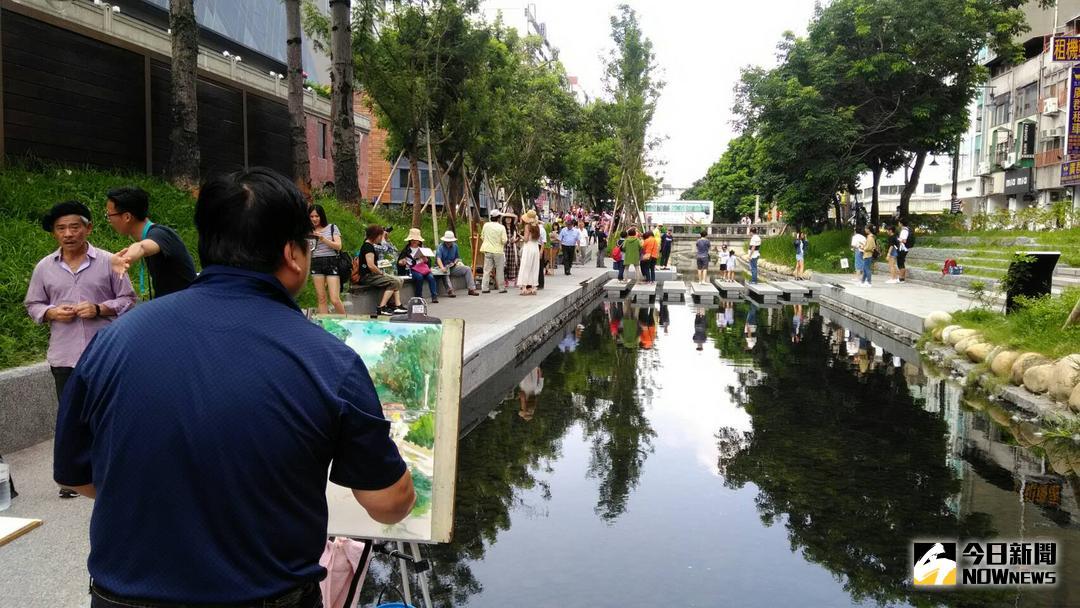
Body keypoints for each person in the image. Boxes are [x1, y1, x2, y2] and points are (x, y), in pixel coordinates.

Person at [54, 167, 415, 607]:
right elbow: (389, 503)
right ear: (293, 254)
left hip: (121, 599)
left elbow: (80, 479)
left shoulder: (113, 342)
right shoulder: (328, 359)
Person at [26, 200, 137, 499]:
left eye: (74, 226)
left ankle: (111, 470)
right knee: (70, 417)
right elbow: (33, 304)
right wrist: (50, 313)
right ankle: (73, 478)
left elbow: (128, 299)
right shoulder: (44, 268)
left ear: (88, 228)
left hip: (105, 353)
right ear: (54, 234)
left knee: (108, 412)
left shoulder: (110, 261)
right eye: (61, 228)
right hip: (64, 356)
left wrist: (99, 307)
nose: (68, 233)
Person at [105, 186, 196, 298]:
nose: (109, 220)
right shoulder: (152, 233)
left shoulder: (160, 234)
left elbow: (142, 247)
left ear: (127, 217)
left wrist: (125, 259)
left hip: (185, 306)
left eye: (109, 215)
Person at [357, 225, 408, 315]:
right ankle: (381, 307)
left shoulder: (370, 245)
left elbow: (391, 249)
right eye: (381, 236)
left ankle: (396, 305)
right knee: (394, 282)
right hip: (368, 276)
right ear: (376, 236)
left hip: (372, 274)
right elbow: (371, 265)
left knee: (399, 280)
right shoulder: (368, 247)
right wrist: (381, 273)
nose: (381, 238)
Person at [307, 204, 346, 314]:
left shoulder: (332, 228)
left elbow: (338, 246)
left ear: (322, 216)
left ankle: (345, 322)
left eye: (317, 216)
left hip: (331, 262)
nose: (314, 219)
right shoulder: (307, 231)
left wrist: (322, 239)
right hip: (316, 263)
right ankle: (324, 326)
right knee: (321, 298)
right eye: (312, 216)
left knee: (334, 299)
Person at [397, 228, 439, 303]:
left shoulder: (423, 249)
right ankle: (419, 296)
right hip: (412, 269)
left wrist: (426, 260)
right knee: (419, 277)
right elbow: (400, 262)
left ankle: (434, 296)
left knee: (431, 277)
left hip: (423, 269)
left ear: (419, 241)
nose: (414, 241)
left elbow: (428, 263)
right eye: (412, 239)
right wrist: (402, 262)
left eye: (416, 240)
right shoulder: (406, 250)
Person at [436, 230, 479, 296]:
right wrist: (442, 267)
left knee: (467, 269)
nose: (449, 243)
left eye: (450, 241)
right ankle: (450, 290)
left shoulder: (455, 246)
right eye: (447, 241)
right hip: (443, 266)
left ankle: (471, 289)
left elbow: (457, 257)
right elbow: (438, 258)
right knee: (445, 273)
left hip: (452, 266)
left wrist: (455, 262)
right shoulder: (440, 247)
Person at [480, 209, 508, 293]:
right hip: (498, 251)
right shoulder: (501, 227)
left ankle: (484, 288)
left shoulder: (486, 225)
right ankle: (501, 288)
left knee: (487, 270)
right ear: (498, 218)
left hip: (487, 250)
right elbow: (504, 240)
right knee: (499, 270)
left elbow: (482, 237)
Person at [518, 222, 542, 295]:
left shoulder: (527, 226)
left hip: (528, 247)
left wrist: (520, 236)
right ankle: (534, 287)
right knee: (534, 268)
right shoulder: (537, 226)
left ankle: (524, 287)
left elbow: (526, 239)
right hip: (535, 247)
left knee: (525, 267)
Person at [501, 212, 521, 286]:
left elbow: (519, 236)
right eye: (507, 218)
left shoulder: (514, 228)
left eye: (510, 218)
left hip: (513, 248)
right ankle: (505, 280)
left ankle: (516, 279)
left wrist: (515, 240)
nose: (508, 220)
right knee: (505, 263)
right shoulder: (502, 227)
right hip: (505, 247)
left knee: (515, 263)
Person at [896, 219, 911, 283]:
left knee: (900, 263)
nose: (898, 224)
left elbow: (904, 240)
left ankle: (901, 278)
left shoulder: (904, 230)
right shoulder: (906, 230)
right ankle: (901, 278)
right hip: (903, 248)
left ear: (901, 223)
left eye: (899, 223)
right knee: (901, 263)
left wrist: (897, 239)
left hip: (902, 249)